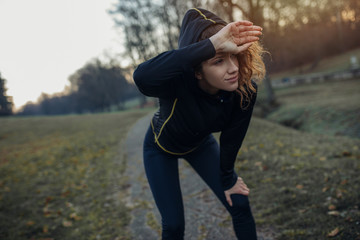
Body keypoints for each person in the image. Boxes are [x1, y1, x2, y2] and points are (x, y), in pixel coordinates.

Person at [133, 7, 265, 240]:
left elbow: (232, 139)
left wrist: (228, 180)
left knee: (239, 202)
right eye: (218, 60)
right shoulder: (175, 82)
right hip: (160, 149)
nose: (233, 68)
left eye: (234, 55)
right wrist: (211, 44)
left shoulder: (244, 90)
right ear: (197, 71)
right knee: (173, 225)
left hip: (200, 146)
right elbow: (142, 77)